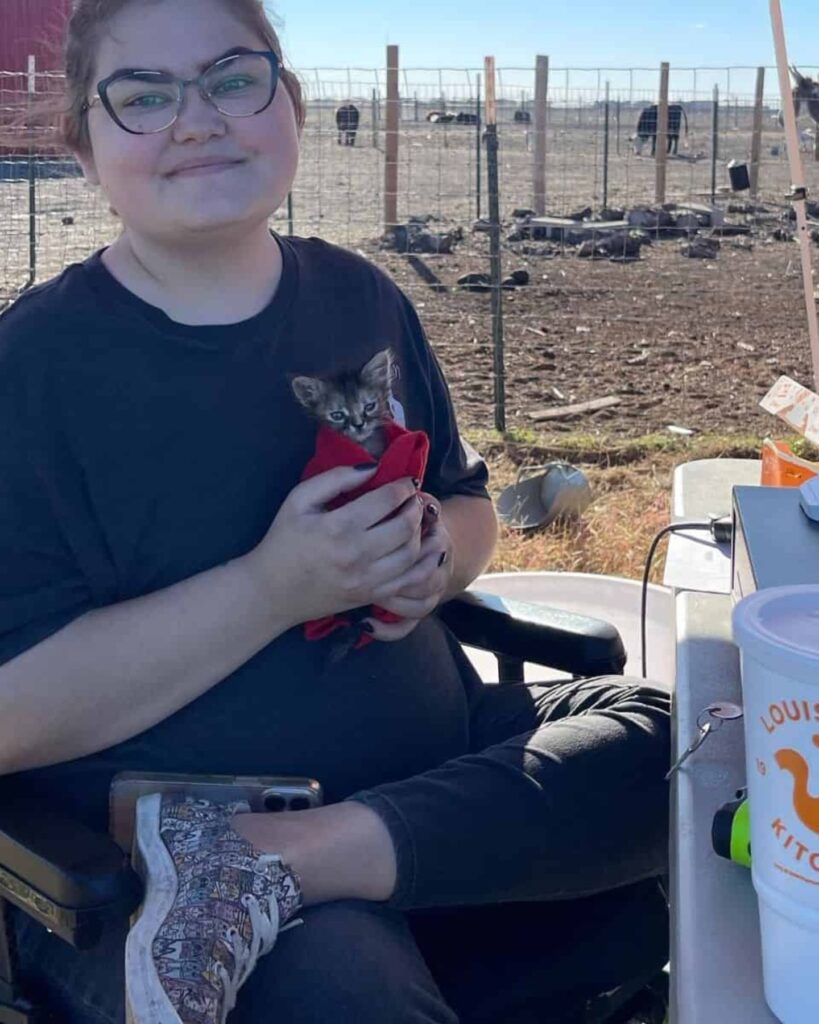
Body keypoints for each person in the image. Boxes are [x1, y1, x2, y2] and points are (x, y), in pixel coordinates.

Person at [0, 1, 671, 1021]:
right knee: (344, 990)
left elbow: (468, 504)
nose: (196, 119)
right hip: (158, 865)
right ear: (82, 146)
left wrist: (433, 558)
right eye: (142, 97)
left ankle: (295, 857)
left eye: (233, 77)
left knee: (692, 738)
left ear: (292, 102)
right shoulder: (33, 371)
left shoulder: (361, 296)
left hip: (436, 785)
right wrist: (275, 587)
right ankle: (259, 871)